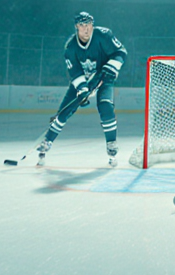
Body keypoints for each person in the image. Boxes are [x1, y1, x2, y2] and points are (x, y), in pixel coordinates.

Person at [35, 12, 128, 166]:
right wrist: (82, 89)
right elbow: (75, 72)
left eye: (89, 24)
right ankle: (47, 141)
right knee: (64, 111)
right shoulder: (70, 47)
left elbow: (121, 52)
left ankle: (111, 143)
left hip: (103, 78)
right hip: (83, 80)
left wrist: (112, 67)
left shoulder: (103, 35)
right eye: (82, 25)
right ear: (76, 27)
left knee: (106, 106)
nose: (86, 29)